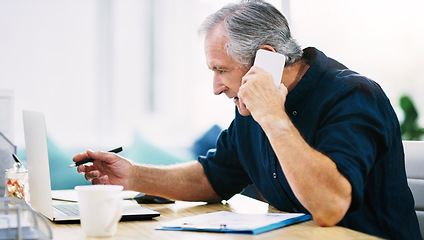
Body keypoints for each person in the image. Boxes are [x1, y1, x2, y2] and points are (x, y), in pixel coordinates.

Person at [72, 1, 421, 239]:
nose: (216, 87)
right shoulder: (250, 109)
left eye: (221, 70)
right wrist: (132, 175)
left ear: (265, 61)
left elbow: (329, 206)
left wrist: (273, 115)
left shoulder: (353, 96)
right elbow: (213, 177)